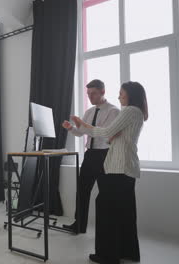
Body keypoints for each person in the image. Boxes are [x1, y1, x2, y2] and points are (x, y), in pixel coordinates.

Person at [69, 81, 148, 264]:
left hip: (118, 167)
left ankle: (107, 255)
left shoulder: (128, 111)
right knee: (125, 212)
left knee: (106, 210)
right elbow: (114, 135)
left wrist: (83, 125)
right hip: (128, 166)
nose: (119, 96)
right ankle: (127, 252)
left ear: (130, 94)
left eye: (122, 93)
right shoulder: (137, 113)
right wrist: (109, 136)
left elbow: (108, 131)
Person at [61, 79, 120, 233]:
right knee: (82, 190)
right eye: (88, 94)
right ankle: (79, 225)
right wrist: (71, 128)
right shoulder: (89, 112)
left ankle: (106, 231)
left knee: (105, 194)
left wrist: (84, 126)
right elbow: (81, 134)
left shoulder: (113, 111)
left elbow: (105, 134)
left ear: (103, 92)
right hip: (90, 155)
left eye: (93, 93)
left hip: (105, 155)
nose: (90, 97)